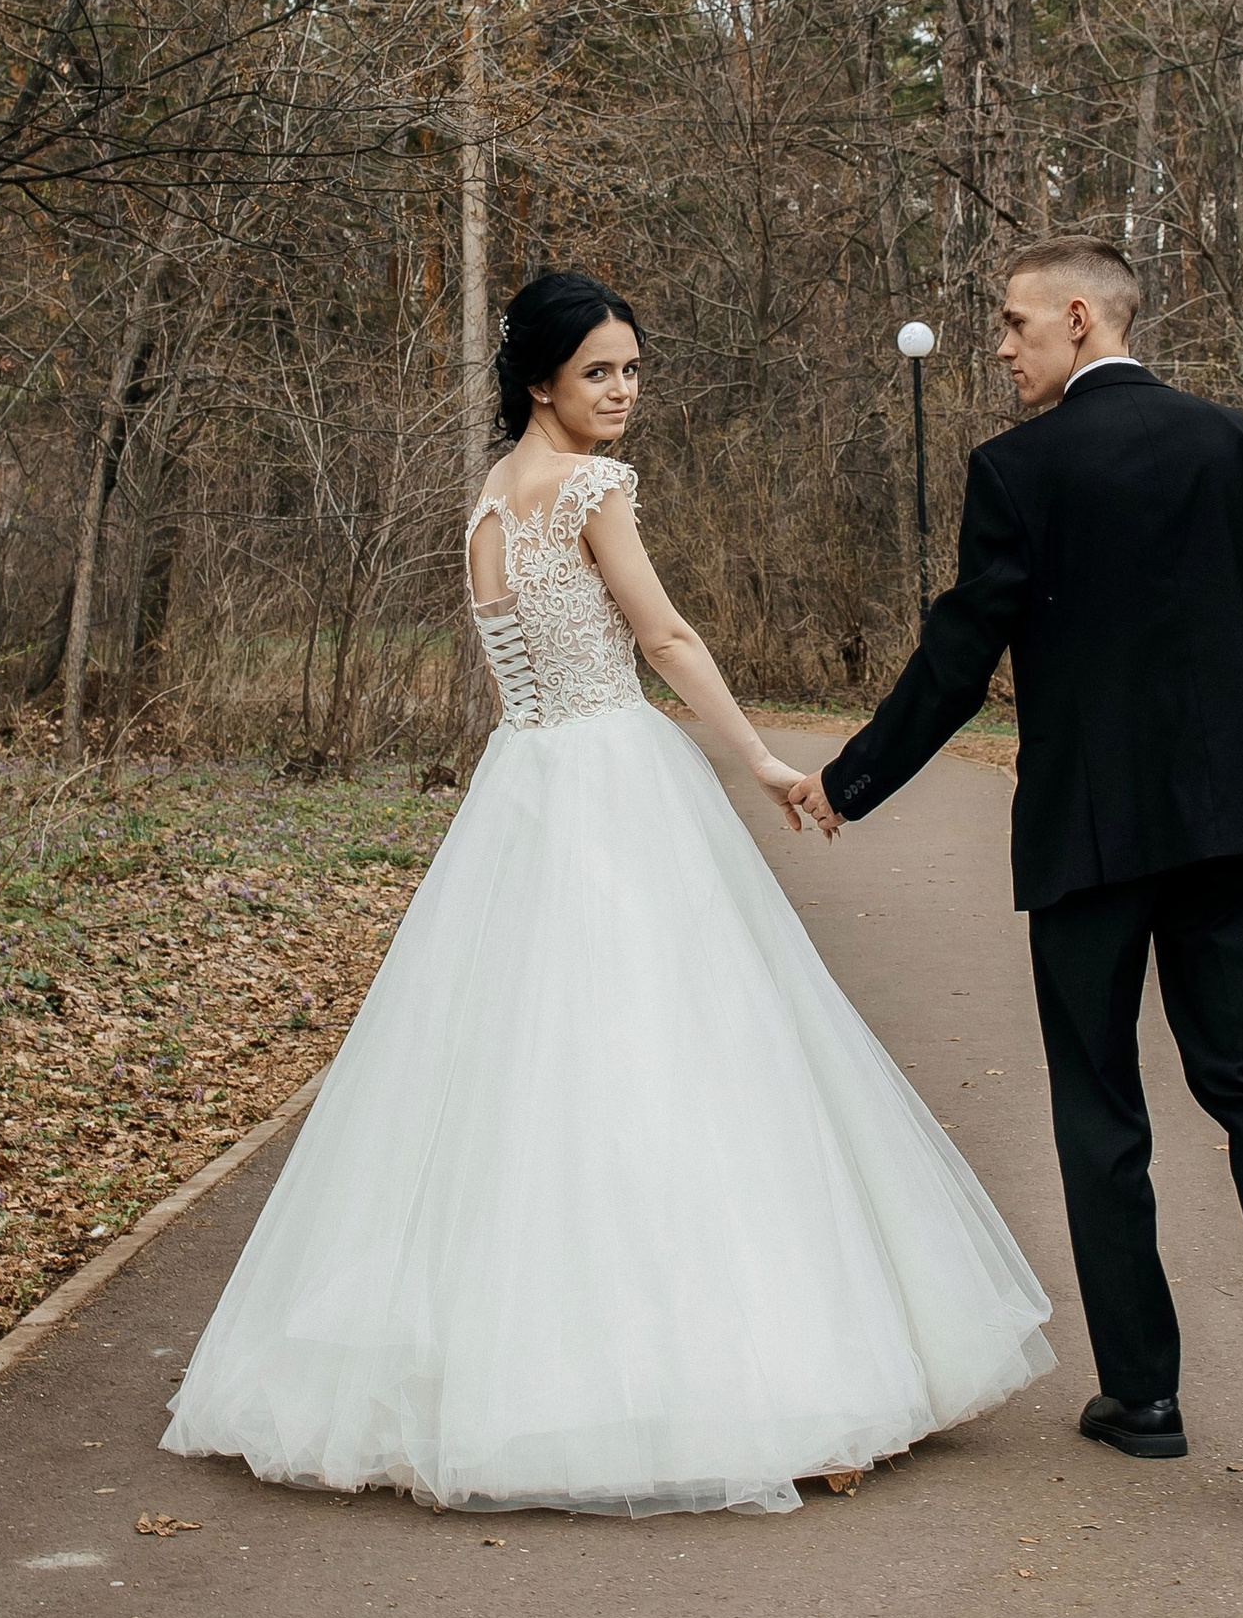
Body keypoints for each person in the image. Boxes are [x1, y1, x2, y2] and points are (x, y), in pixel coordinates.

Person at [163, 267, 1052, 1516]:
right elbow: (665, 636)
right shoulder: (590, 489)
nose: (623, 391)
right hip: (612, 782)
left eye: (632, 369)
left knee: (517, 1067)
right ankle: (740, 1378)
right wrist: (759, 763)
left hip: (522, 789)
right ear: (541, 381)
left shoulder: (488, 502)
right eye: (598, 372)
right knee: (672, 1052)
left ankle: (496, 1373)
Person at [799, 237, 1243, 1494]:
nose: (1000, 347)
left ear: (1075, 317)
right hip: (1234, 817)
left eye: (1012, 324)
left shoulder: (1019, 469)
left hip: (1087, 829)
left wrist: (851, 782)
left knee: (1100, 1101)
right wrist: (1211, 700)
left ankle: (1144, 1393)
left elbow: (961, 652)